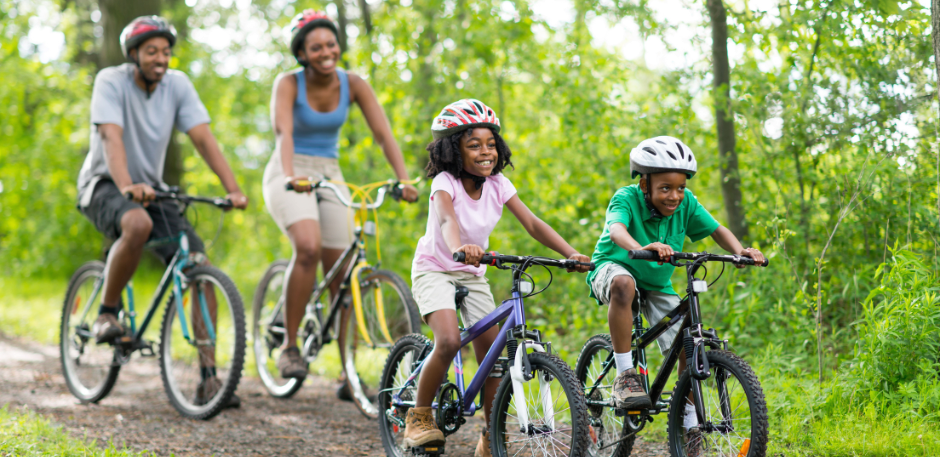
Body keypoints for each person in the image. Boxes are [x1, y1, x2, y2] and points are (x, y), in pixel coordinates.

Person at [402, 99, 591, 457]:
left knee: (493, 358)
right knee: (447, 341)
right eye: (473, 145)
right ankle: (420, 416)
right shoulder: (445, 182)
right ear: (452, 150)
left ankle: (490, 435)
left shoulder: (500, 184)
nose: (485, 152)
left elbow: (533, 224)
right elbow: (446, 220)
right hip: (435, 268)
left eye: (491, 145)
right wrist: (461, 247)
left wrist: (570, 254)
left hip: (472, 275)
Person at [76, 16, 248, 405]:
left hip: (151, 190)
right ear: (134, 54)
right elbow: (110, 136)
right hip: (104, 183)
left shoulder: (178, 85)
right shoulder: (110, 80)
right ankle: (106, 312)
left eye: (166, 52)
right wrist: (125, 185)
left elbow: (203, 138)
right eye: (152, 51)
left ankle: (209, 378)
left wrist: (233, 189)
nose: (161, 58)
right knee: (135, 223)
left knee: (198, 265)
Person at [263, 10, 418, 381]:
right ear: (301, 53)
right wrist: (290, 176)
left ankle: (348, 370)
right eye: (315, 47)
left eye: (330, 44)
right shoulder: (288, 84)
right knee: (308, 247)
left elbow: (383, 134)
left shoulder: (354, 84)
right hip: (289, 169)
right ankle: (289, 346)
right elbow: (284, 134)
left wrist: (404, 179)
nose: (326, 51)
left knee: (344, 273)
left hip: (330, 171)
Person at [585, 136, 765, 437]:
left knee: (688, 346)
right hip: (614, 267)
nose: (674, 196)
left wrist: (740, 251)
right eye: (665, 188)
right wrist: (642, 245)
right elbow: (616, 230)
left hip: (656, 281)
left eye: (680, 188)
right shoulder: (626, 197)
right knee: (624, 284)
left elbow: (716, 229)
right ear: (645, 185)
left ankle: (690, 426)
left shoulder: (687, 204)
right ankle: (626, 374)